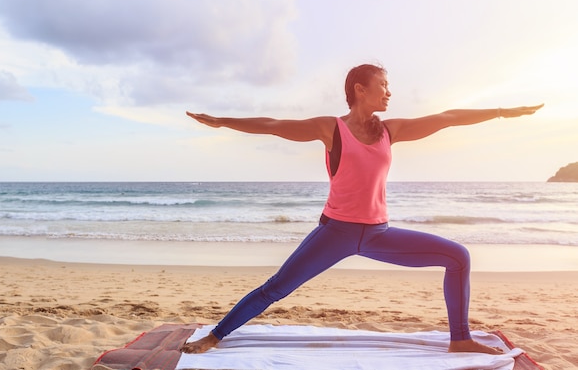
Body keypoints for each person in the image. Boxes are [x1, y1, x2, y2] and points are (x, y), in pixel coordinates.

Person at [181, 63, 543, 355]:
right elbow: (275, 127)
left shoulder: (391, 130)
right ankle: (216, 335)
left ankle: (460, 338)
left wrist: (501, 112)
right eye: (383, 84)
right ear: (360, 89)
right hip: (335, 232)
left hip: (378, 234)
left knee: (458, 257)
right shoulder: (331, 128)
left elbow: (447, 117)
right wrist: (224, 121)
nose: (389, 92)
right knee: (276, 288)